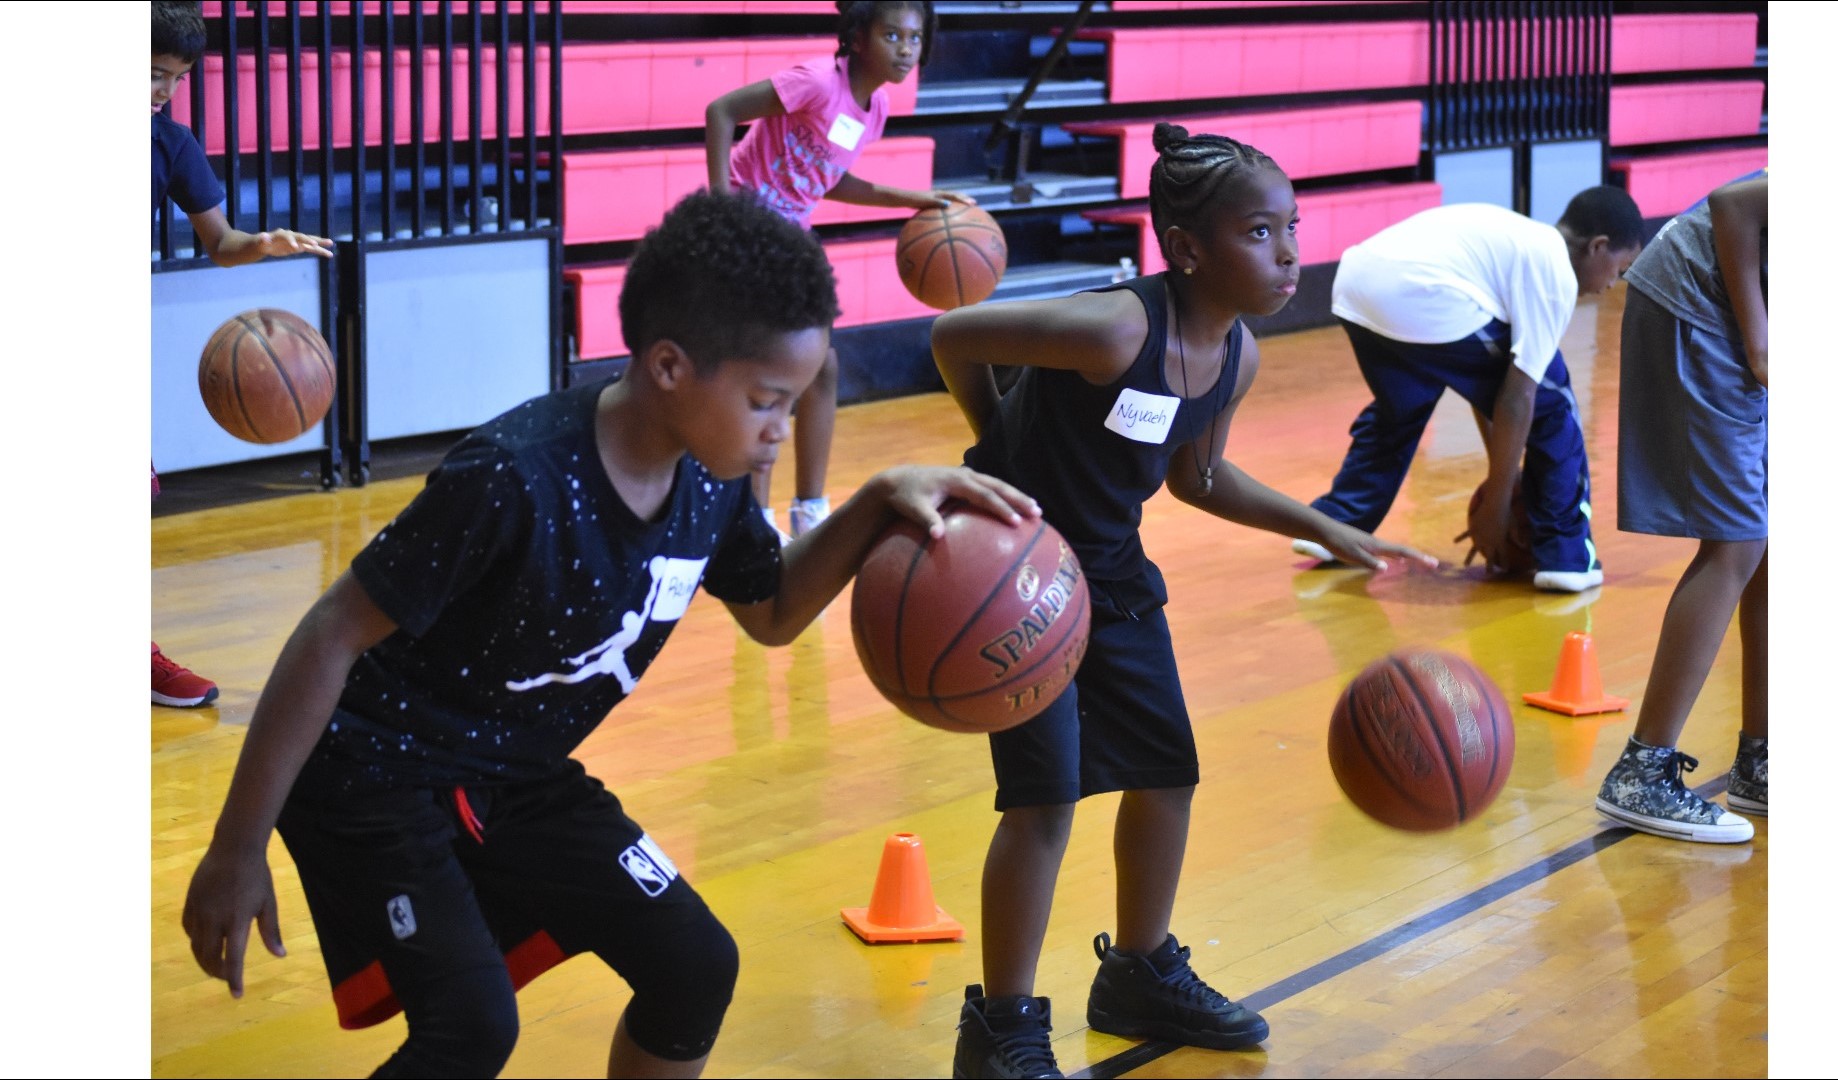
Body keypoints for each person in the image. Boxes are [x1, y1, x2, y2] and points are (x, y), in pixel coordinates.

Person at [179, 190, 1038, 1079]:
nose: (785, 431)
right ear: (669, 367)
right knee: (471, 1028)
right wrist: (237, 847)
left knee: (694, 965)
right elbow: (328, 634)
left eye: (797, 400)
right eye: (767, 401)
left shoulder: (709, 481)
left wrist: (876, 500)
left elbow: (773, 611)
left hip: (515, 771)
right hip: (380, 773)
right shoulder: (513, 479)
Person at [932, 123, 1436, 1079]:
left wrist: (1329, 525)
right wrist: (994, 438)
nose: (1288, 251)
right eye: (1259, 233)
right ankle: (1000, 1025)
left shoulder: (1237, 356)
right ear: (1189, 247)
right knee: (1044, 802)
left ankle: (1137, 970)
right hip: (1018, 573)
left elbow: (1198, 478)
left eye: (1291, 227)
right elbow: (954, 334)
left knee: (1167, 771)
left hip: (1113, 574)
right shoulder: (1116, 328)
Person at [705, 0, 973, 540]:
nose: (905, 49)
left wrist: (915, 198)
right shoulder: (814, 82)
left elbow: (830, 179)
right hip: (749, 225)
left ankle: (809, 511)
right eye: (892, 35)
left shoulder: (873, 111)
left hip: (789, 238)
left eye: (914, 39)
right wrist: (720, 209)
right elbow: (721, 111)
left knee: (820, 368)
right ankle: (754, 523)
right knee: (778, 369)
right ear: (857, 37)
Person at [1292, 188, 1645, 593]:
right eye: (1620, 268)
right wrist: (1495, 509)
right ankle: (1565, 555)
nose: (1613, 284)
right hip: (1423, 294)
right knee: (1553, 407)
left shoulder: (1519, 237)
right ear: (1598, 247)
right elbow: (1517, 398)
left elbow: (1489, 389)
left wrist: (1506, 475)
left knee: (1401, 410)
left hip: (1357, 287)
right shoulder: (1554, 272)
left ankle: (1336, 527)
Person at [152, 1, 335, 708]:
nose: (165, 90)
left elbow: (220, 240)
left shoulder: (169, 143)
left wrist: (261, 244)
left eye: (176, 78)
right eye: (153, 74)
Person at [1594, 170, 1767, 843]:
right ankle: (1643, 772)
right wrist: (1758, 341)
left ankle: (1761, 761)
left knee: (1769, 542)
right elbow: (1734, 203)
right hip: (1699, 302)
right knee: (1737, 543)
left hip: (1734, 308)